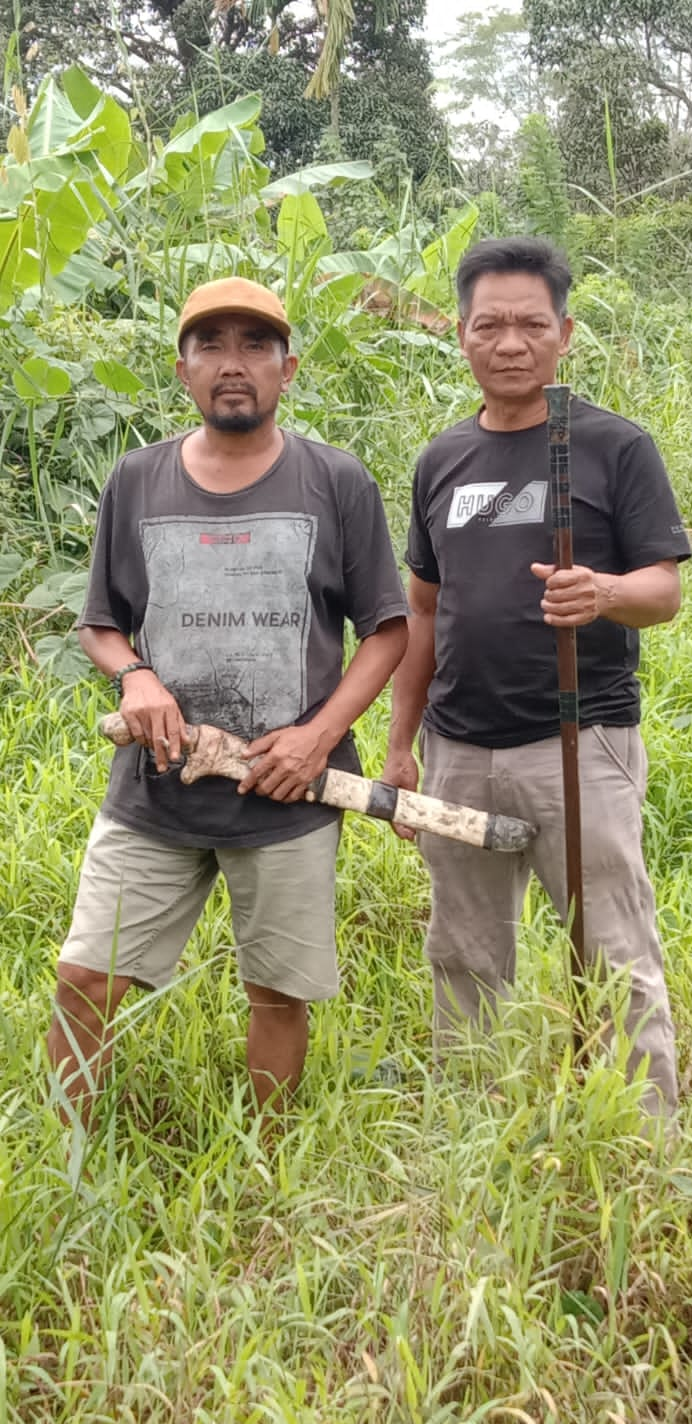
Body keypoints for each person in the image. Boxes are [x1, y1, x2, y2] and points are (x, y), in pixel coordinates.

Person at [49, 276, 408, 1121]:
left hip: (288, 791)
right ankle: (68, 1159)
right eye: (211, 345)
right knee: (85, 979)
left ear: (289, 369)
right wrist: (134, 674)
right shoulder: (136, 480)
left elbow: (387, 631)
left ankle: (267, 1174)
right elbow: (100, 624)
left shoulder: (337, 482)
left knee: (276, 993)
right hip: (155, 793)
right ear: (184, 372)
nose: (233, 364)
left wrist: (318, 737)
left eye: (255, 345)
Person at [383, 235, 691, 1115]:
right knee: (464, 953)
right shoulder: (441, 460)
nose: (509, 343)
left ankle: (645, 1147)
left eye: (529, 324)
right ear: (463, 337)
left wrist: (603, 593)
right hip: (457, 749)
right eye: (490, 325)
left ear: (564, 333)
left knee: (614, 949)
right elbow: (426, 612)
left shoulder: (612, 448)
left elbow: (663, 590)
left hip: (580, 739)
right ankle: (472, 1137)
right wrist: (402, 746)